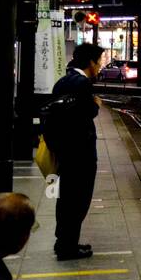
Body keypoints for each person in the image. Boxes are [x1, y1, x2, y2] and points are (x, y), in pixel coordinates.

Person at [49, 43, 104, 261]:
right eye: (99, 61)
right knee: (78, 200)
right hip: (79, 153)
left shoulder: (63, 81)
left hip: (65, 151)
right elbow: (85, 112)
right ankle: (67, 247)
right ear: (90, 62)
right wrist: (96, 104)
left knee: (66, 200)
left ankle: (63, 241)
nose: (100, 66)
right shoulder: (82, 84)